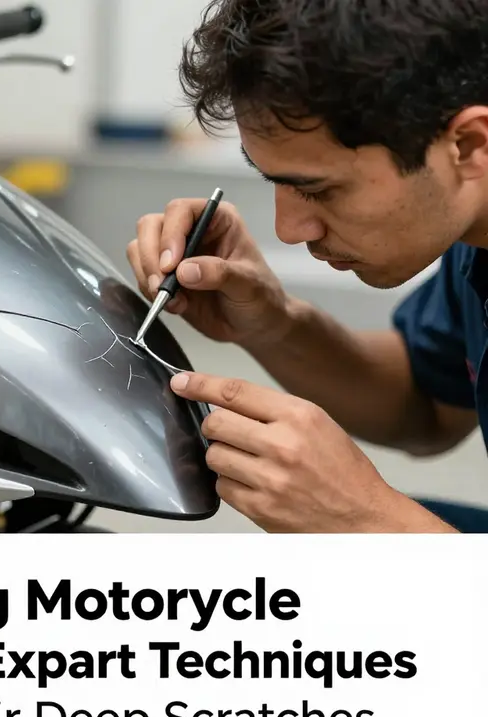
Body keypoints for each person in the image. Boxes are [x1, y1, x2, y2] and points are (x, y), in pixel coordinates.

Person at [127, 0, 488, 534]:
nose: (289, 230)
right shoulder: (472, 240)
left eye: (319, 188)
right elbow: (428, 406)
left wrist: (369, 521)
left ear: (469, 144)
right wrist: (272, 321)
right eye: (275, 180)